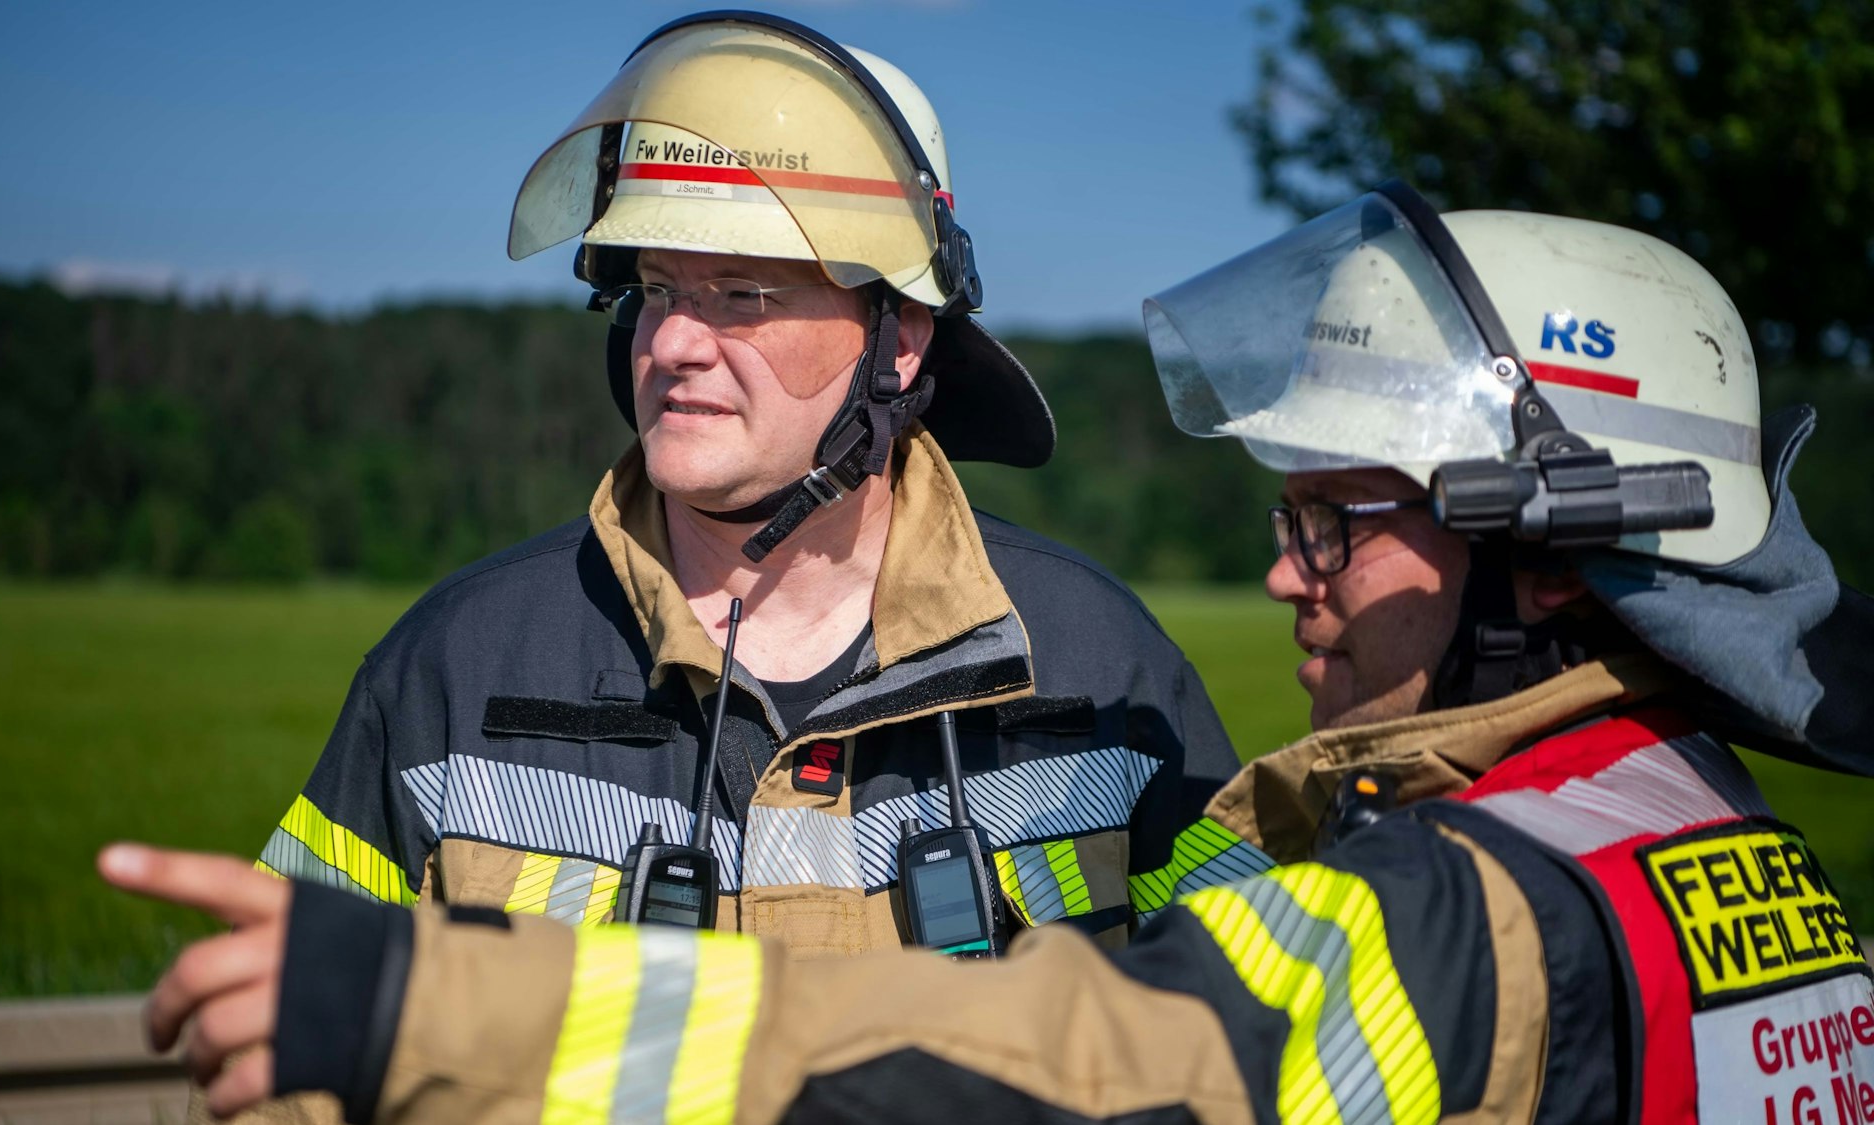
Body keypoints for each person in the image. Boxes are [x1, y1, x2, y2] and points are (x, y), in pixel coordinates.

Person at [105, 183, 1874, 1123]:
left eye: (1336, 519)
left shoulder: (1442, 910)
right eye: (655, 291)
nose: (1284, 575)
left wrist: (422, 1000)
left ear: (1550, 564)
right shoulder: (1729, 864)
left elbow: (1059, 1067)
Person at [250, 3, 1233, 1012]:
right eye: (656, 288)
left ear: (898, 339)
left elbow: (1252, 1044)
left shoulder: (1100, 671)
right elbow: (288, 1063)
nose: (670, 343)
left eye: (739, 295)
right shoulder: (458, 674)